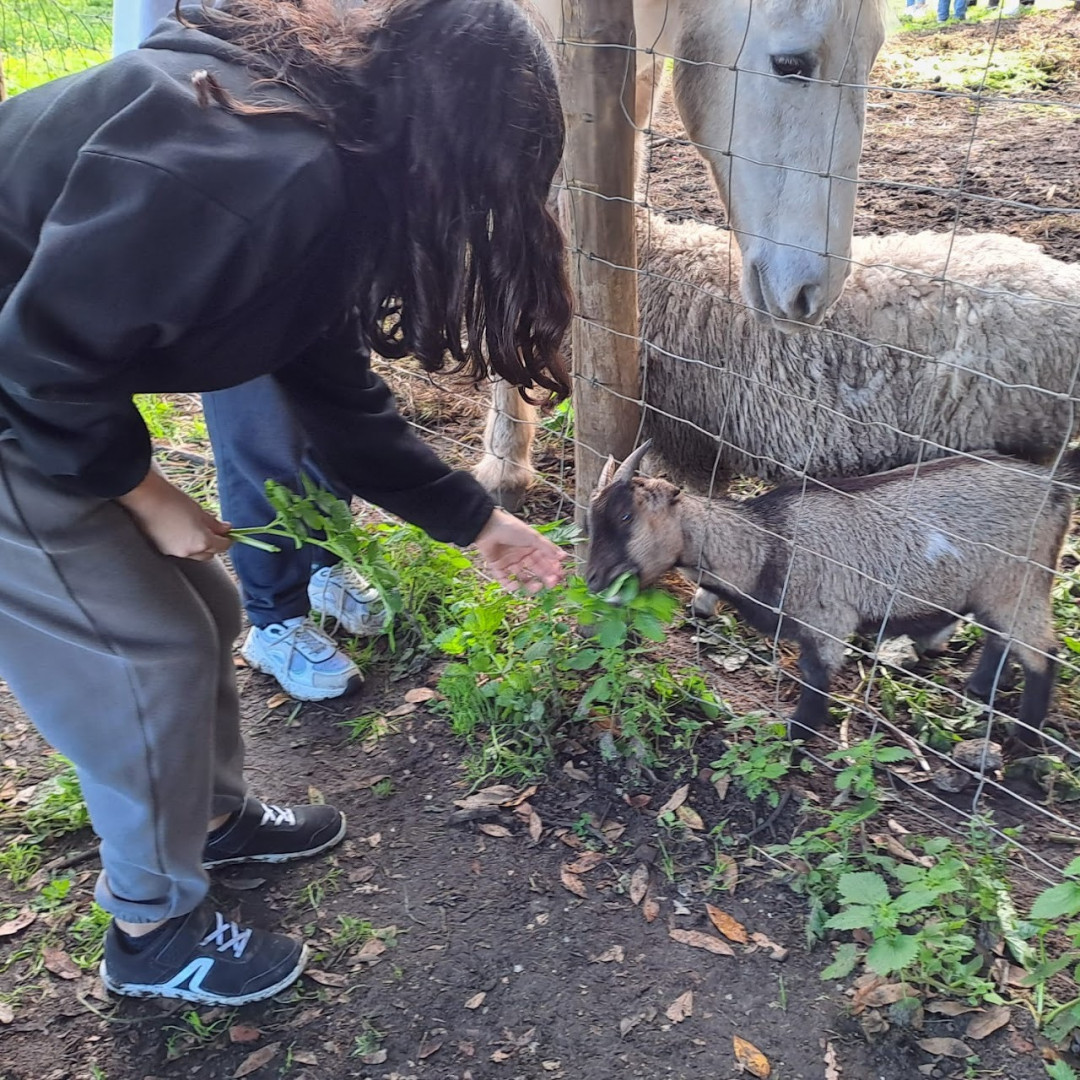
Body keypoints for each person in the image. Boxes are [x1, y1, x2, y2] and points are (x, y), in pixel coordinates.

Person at [0, 0, 572, 1007]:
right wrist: (146, 491)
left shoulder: (324, 170)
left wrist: (476, 520)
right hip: (20, 391)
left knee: (212, 610)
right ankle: (150, 928)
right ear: (445, 141)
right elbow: (40, 363)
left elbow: (336, 395)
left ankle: (209, 825)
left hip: (39, 387)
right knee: (143, 656)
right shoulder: (256, 172)